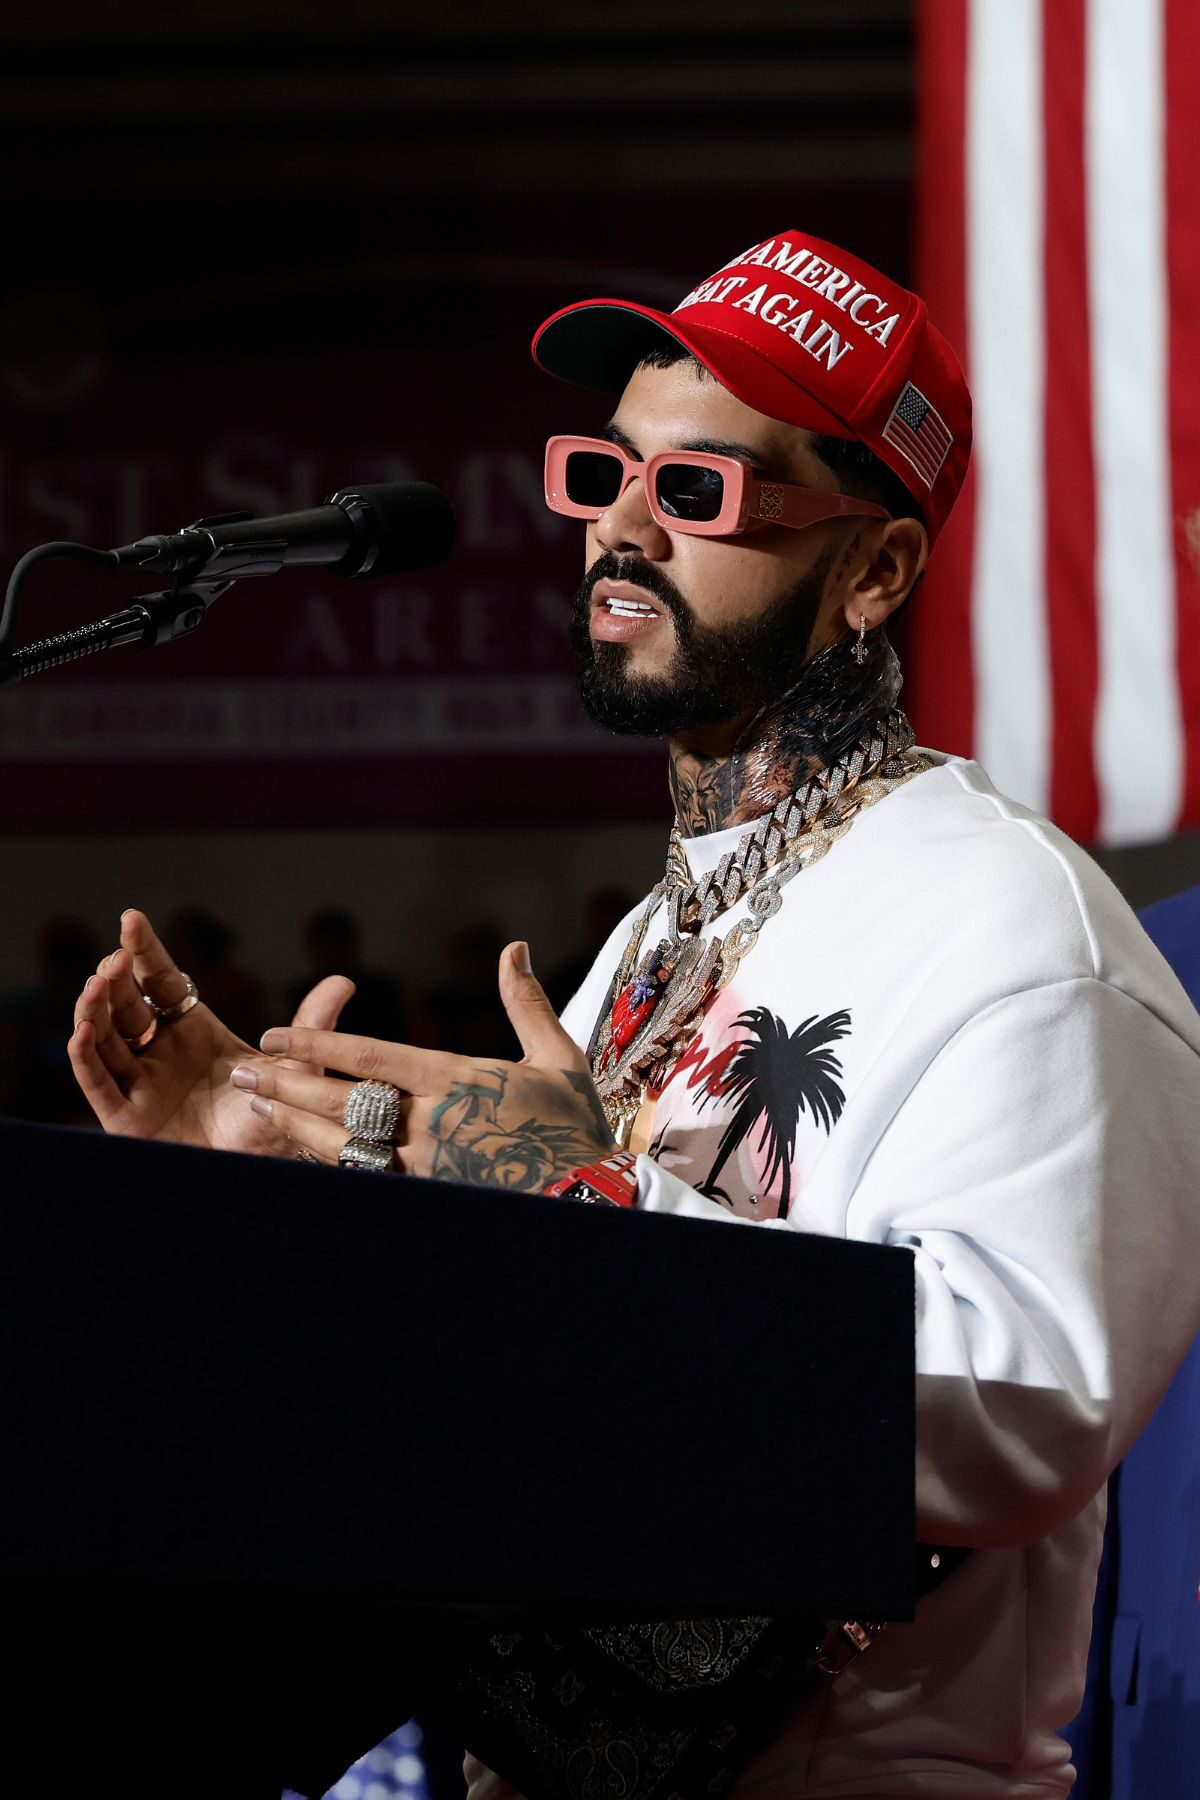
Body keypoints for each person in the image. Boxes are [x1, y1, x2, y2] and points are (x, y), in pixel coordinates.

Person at [67, 229, 1200, 1798]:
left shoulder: (1018, 929)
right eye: (605, 475)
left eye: (697, 494)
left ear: (874, 571)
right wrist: (280, 1183)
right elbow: (533, 1352)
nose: (619, 529)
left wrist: (589, 1194)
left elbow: (1028, 1407)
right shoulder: (658, 937)